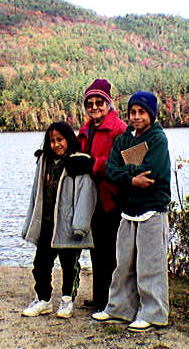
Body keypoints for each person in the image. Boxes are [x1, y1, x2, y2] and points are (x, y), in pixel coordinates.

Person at [91, 91, 171, 332]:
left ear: (151, 114)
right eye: (133, 112)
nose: (136, 117)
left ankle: (153, 313)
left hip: (151, 209)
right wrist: (131, 178)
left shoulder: (158, 139)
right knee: (123, 263)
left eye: (142, 112)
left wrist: (128, 170)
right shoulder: (125, 138)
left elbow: (151, 172)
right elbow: (112, 168)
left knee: (150, 264)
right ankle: (120, 308)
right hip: (128, 208)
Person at [21, 121, 97, 319]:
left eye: (60, 139)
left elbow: (86, 194)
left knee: (69, 266)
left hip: (68, 225)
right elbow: (35, 194)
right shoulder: (44, 161)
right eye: (52, 141)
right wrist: (31, 221)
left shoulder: (78, 163)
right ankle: (43, 299)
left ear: (68, 139)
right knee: (41, 264)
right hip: (47, 224)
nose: (56, 144)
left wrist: (80, 225)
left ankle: (67, 301)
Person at [72, 78, 127, 311]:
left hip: (113, 198)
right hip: (91, 199)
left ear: (108, 103)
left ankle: (113, 303)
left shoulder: (120, 129)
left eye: (99, 102)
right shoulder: (85, 129)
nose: (94, 107)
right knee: (96, 251)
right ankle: (100, 298)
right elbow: (77, 155)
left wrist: (93, 164)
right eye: (90, 103)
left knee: (112, 253)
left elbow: (124, 162)